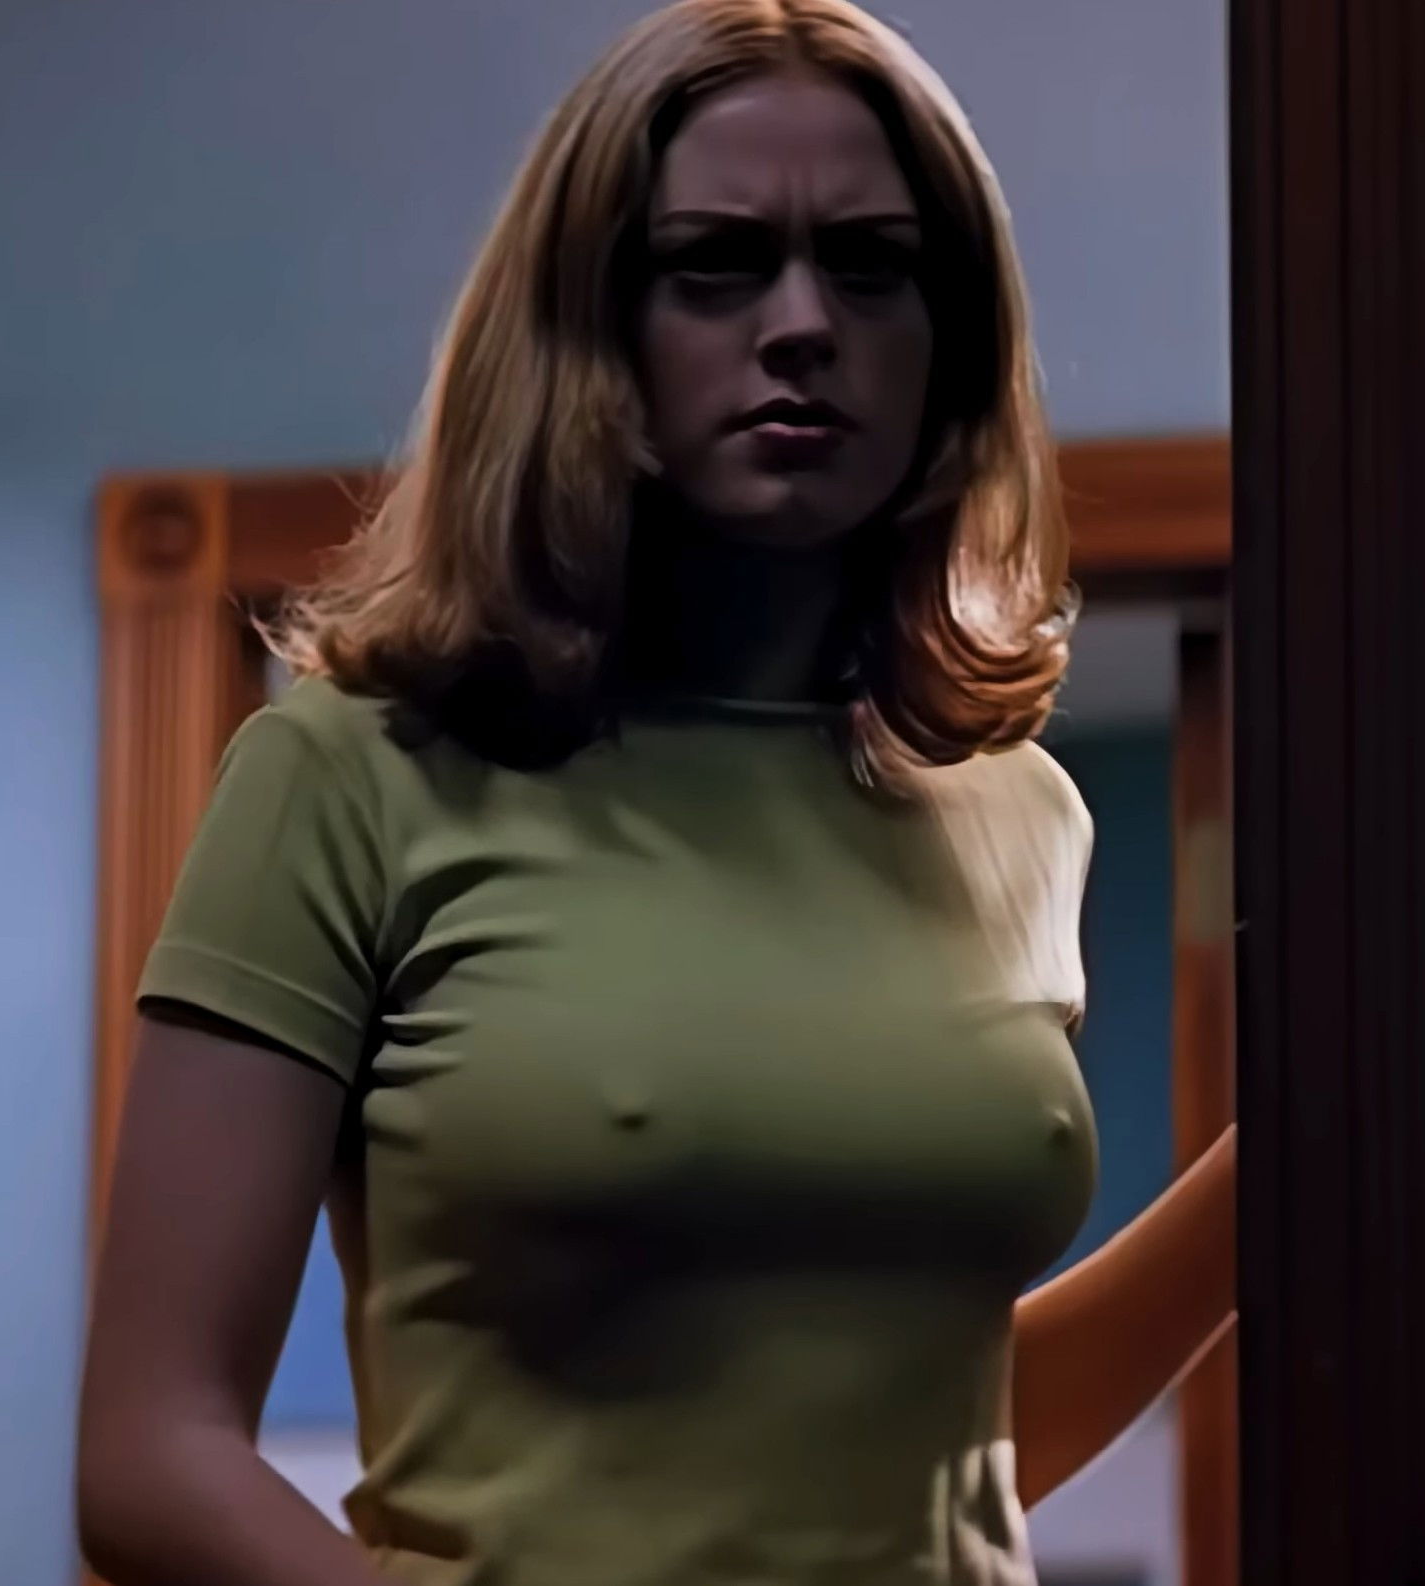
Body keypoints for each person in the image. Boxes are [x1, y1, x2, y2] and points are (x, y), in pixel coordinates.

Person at [75, 2, 1237, 1581]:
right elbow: (151, 1453)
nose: (804, 321)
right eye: (716, 264)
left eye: (872, 265)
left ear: (949, 341)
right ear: (590, 330)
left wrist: (1270, 1183)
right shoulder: (350, 775)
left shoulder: (1020, 809)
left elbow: (939, 1436)